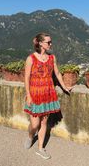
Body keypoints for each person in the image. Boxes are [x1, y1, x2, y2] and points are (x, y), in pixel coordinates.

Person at [24, 32, 71, 160]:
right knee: (34, 124)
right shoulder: (31, 59)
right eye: (48, 42)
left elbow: (58, 73)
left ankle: (40, 148)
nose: (50, 44)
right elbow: (26, 78)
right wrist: (28, 95)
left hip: (48, 93)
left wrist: (64, 87)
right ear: (40, 43)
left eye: (51, 42)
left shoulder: (52, 58)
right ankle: (30, 136)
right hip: (35, 93)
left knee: (44, 122)